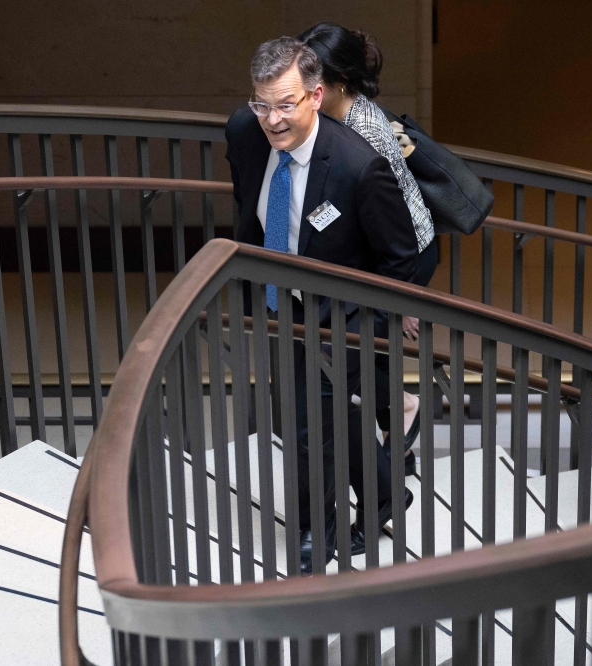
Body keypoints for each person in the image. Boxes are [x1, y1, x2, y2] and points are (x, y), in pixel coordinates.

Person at [225, 37, 418, 574]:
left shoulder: (360, 167)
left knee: (309, 425)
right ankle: (385, 495)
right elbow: (248, 202)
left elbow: (399, 255)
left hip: (342, 320)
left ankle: (315, 534)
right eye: (261, 104)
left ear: (315, 95)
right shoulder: (244, 133)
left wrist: (367, 328)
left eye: (285, 104)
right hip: (277, 301)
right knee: (321, 414)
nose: (271, 119)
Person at [298, 23, 437, 503]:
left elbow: (395, 231)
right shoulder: (330, 113)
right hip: (369, 251)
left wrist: (405, 299)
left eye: (311, 74)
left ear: (338, 81)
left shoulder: (365, 129)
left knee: (353, 355)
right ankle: (401, 450)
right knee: (364, 351)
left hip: (403, 254)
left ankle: (404, 411)